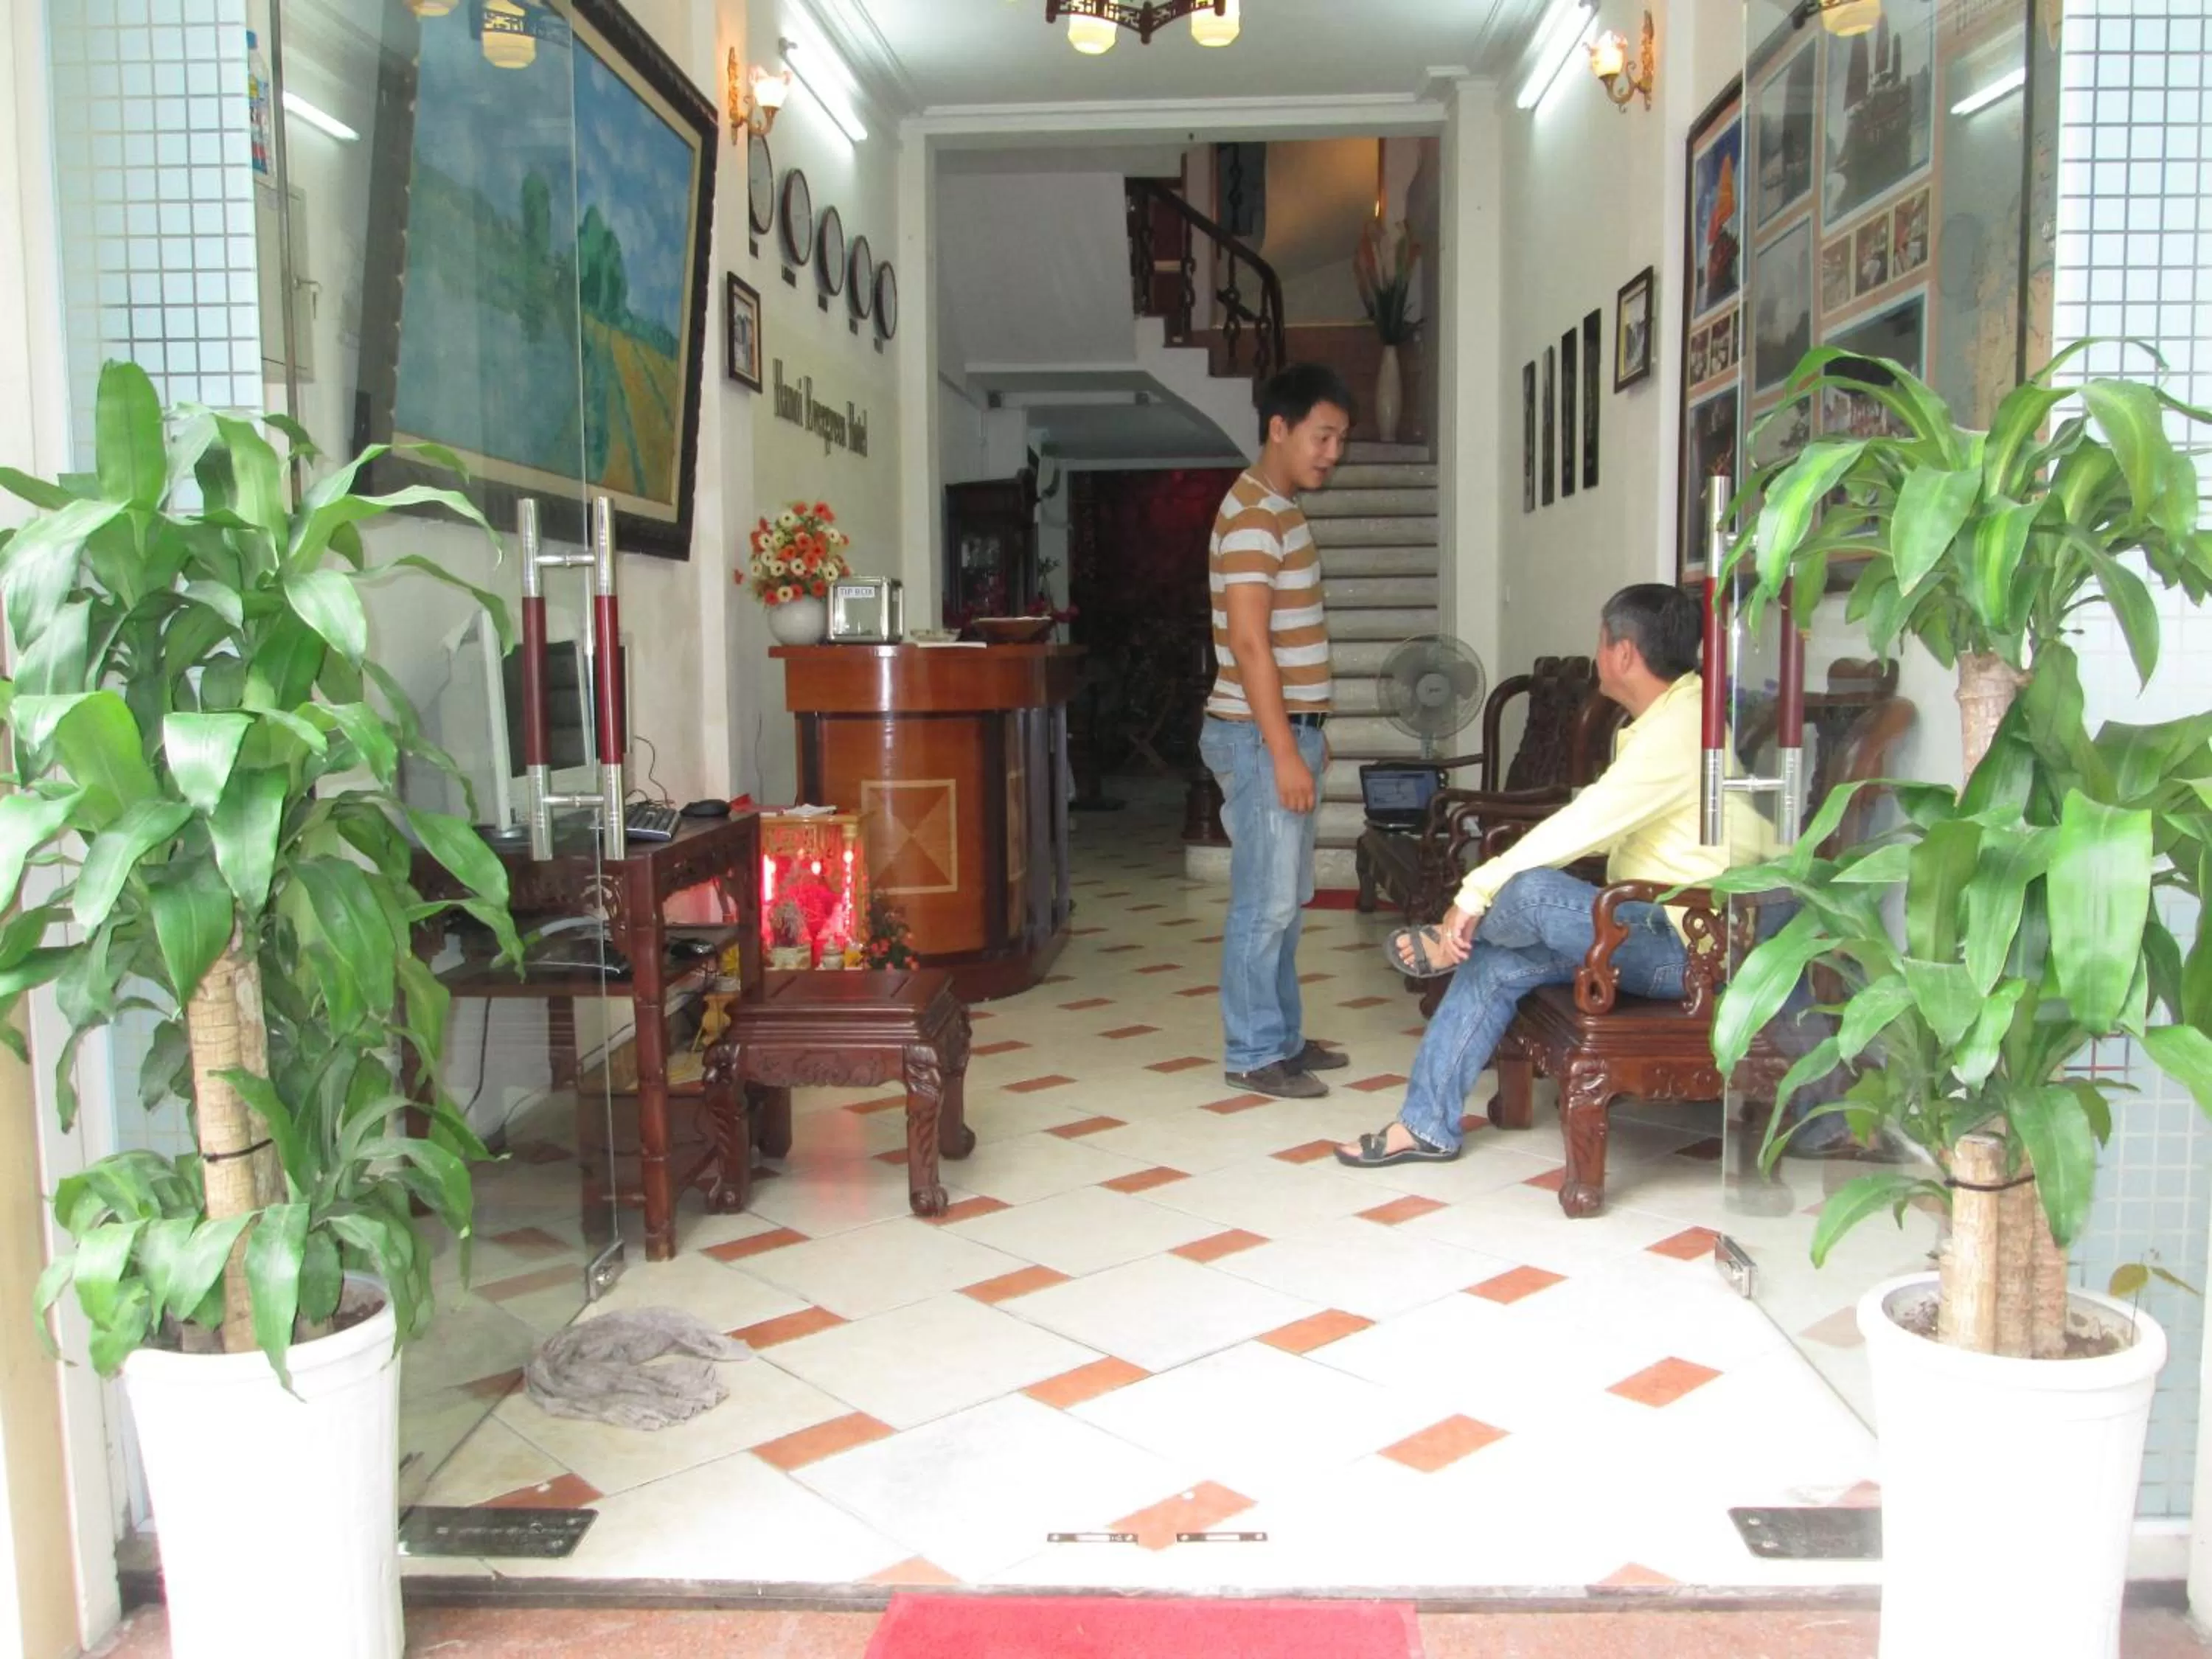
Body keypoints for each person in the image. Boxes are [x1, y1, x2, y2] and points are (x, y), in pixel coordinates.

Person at [1337, 583, 1742, 1164]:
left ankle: (1450, 941)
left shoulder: (1682, 730)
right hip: (1650, 924)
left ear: (1624, 652)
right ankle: (1425, 1126)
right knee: (1496, 962)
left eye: (1601, 642)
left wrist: (1473, 896)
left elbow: (1586, 823)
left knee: (1529, 893)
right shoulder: (1671, 717)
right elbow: (1601, 823)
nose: (1598, 655)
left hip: (1690, 946)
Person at [1199, 364, 1355, 1101]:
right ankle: (1254, 1052)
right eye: (1322, 436)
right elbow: (1249, 642)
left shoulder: (1280, 509)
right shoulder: (1256, 517)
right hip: (1261, 738)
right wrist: (1287, 747)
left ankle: (1283, 1038)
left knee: (1284, 901)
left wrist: (1312, 730)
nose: (1332, 453)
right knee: (1264, 905)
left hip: (1287, 733)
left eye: (1340, 440)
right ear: (1279, 428)